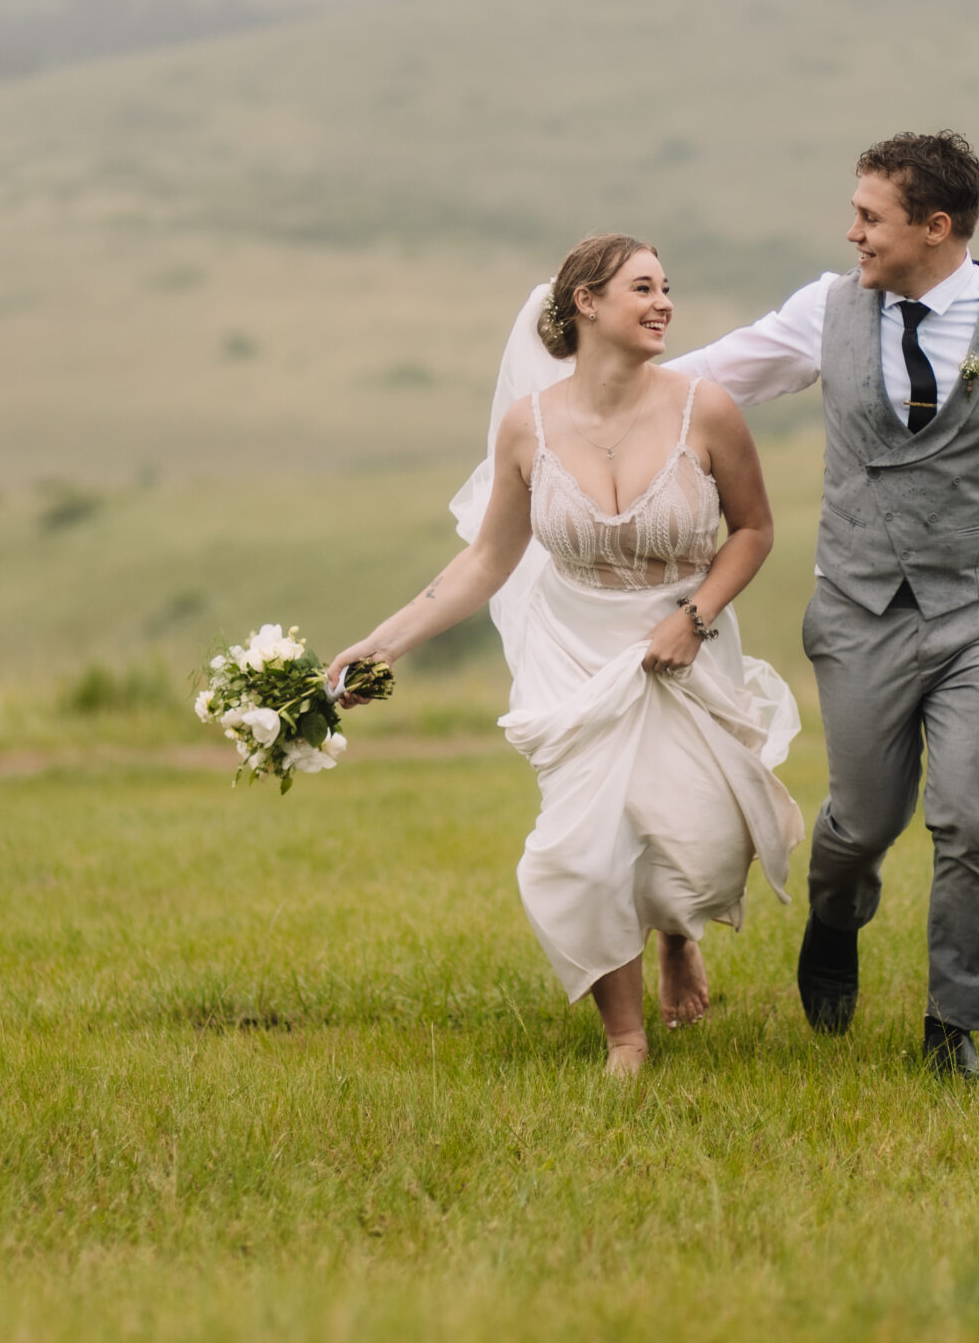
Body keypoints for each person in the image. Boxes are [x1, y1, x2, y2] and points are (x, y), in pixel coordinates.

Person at [668, 130, 979, 1081]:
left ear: (935, 226)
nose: (851, 233)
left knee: (972, 817)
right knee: (862, 821)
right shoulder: (825, 312)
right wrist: (581, 397)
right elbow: (704, 380)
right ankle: (837, 915)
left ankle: (952, 1027)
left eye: (869, 217)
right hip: (857, 611)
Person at [329, 234, 804, 1078]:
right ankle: (624, 1036)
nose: (664, 304)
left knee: (702, 846)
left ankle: (675, 933)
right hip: (572, 654)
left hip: (684, 642)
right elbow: (486, 561)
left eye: (667, 288)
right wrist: (382, 643)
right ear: (585, 302)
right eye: (643, 288)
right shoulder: (529, 429)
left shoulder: (709, 410)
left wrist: (694, 617)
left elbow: (756, 531)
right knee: (576, 850)